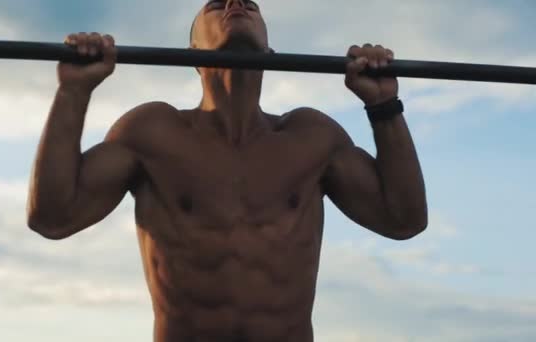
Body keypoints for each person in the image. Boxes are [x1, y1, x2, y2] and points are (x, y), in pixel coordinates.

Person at [26, 0, 428, 341]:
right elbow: (52, 218)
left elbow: (404, 220)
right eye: (218, 3)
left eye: (249, 4)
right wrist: (73, 92)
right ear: (192, 50)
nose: (236, 5)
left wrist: (383, 106)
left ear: (270, 52)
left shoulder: (311, 136)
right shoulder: (152, 132)